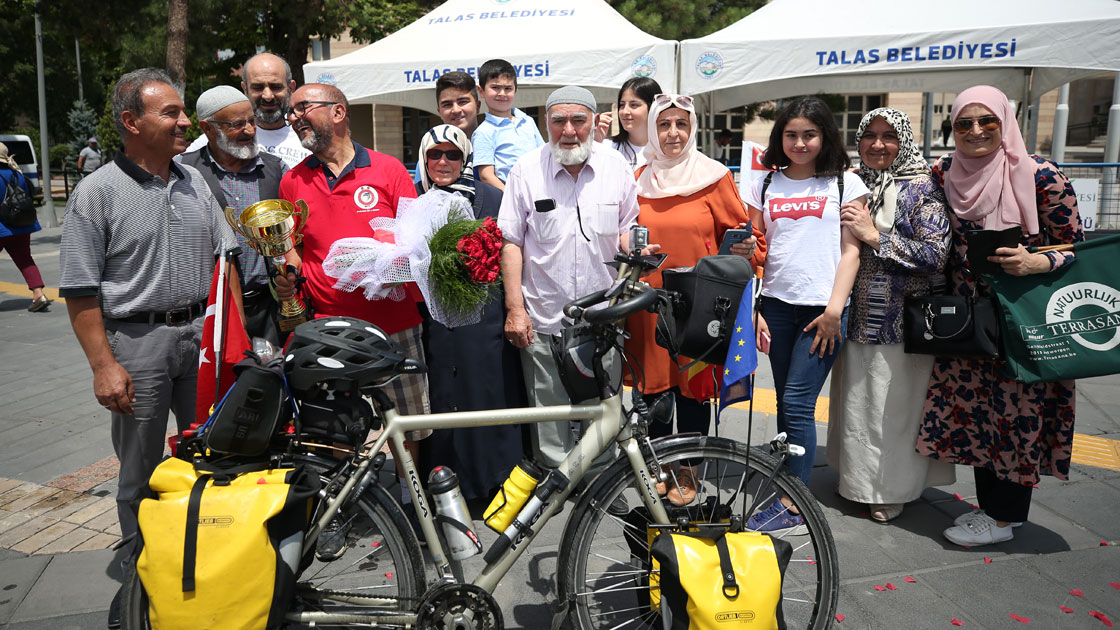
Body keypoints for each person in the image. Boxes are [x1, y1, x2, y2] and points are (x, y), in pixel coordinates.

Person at [58, 68, 239, 628]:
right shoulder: (97, 192)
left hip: (201, 344)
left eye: (184, 112)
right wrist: (103, 366)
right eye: (171, 113)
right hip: (136, 343)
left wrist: (230, 340)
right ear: (132, 122)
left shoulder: (194, 183)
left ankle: (205, 559)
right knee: (139, 468)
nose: (185, 122)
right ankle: (145, 580)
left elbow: (224, 264)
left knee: (210, 456)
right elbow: (80, 289)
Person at [914, 85, 1084, 547]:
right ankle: (991, 510)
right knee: (977, 415)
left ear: (1006, 121)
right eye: (964, 123)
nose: (975, 131)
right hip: (968, 319)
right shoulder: (945, 172)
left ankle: (1006, 518)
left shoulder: (1041, 176)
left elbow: (1075, 249)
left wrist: (1037, 261)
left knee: (1018, 414)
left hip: (1022, 319)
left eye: (987, 120)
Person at [497, 85, 644, 486]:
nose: (568, 130)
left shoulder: (616, 167)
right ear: (546, 123)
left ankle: (600, 487)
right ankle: (554, 487)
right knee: (549, 411)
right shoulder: (526, 169)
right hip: (544, 314)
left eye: (578, 120)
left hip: (604, 316)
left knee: (604, 408)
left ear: (594, 123)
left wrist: (640, 250)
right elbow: (510, 242)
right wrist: (515, 309)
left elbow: (627, 230)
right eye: (558, 120)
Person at [624, 93, 765, 505]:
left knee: (692, 390)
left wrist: (743, 250)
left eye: (681, 124)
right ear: (652, 129)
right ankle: (655, 466)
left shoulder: (714, 176)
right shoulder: (635, 178)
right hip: (648, 303)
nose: (672, 133)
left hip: (700, 304)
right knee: (651, 391)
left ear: (693, 129)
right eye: (664, 124)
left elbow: (749, 241)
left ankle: (687, 471)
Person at [743, 96, 868, 534]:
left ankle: (794, 505)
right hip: (775, 306)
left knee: (797, 401)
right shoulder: (763, 185)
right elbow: (755, 252)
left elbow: (852, 252)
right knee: (785, 400)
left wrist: (835, 310)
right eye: (791, 134)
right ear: (780, 137)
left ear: (824, 137)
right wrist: (755, 307)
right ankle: (789, 485)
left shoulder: (844, 184)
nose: (799, 142)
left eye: (809, 135)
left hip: (823, 310)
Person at [825, 107, 954, 523]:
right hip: (855, 317)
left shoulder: (921, 188)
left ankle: (891, 490)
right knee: (858, 404)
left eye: (889, 136)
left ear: (905, 141)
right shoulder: (853, 183)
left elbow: (936, 254)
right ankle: (856, 482)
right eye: (870, 135)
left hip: (901, 322)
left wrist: (874, 236)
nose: (878, 144)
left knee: (892, 409)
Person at [414, 124, 527, 500]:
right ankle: (447, 482)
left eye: (453, 154)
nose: (443, 162)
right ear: (424, 158)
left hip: (485, 318)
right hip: (436, 322)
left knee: (489, 392)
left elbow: (511, 250)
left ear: (466, 159)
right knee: (444, 397)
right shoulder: (414, 199)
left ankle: (494, 480)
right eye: (435, 154)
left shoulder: (492, 198)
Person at [179, 85, 288, 344]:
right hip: (211, 310)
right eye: (238, 124)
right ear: (207, 128)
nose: (250, 131)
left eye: (252, 121)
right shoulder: (183, 171)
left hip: (271, 306)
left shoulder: (276, 169)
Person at [186, 52, 311, 168]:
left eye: (275, 86)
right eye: (258, 87)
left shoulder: (311, 138)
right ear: (245, 89)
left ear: (291, 88)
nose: (268, 96)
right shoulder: (218, 138)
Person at [473, 59, 544, 191]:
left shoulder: (527, 121)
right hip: (509, 197)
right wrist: (511, 197)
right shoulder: (483, 132)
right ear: (481, 91)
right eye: (495, 87)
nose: (502, 93)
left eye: (508, 88)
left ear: (515, 90)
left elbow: (544, 155)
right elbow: (486, 176)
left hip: (539, 191)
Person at [0, 142, 50, 312]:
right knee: (25, 260)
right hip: (21, 225)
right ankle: (39, 293)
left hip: (2, 227)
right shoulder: (17, 173)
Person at [413, 71, 482, 184]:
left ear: (478, 106)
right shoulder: (430, 158)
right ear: (439, 111)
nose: (456, 110)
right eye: (447, 104)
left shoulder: (496, 149)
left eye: (463, 102)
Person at [598, 76, 661, 171]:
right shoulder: (607, 148)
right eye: (622, 105)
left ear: (653, 107)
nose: (625, 111)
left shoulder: (667, 150)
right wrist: (594, 142)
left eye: (634, 105)